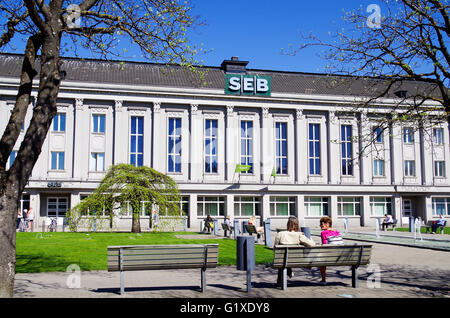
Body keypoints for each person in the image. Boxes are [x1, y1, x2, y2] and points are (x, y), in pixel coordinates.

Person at [274, 216, 316, 284]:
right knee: (287, 258)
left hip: (281, 260)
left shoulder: (280, 234)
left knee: (282, 259)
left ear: (287, 224)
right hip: (296, 260)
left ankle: (281, 280)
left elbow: (275, 247)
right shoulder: (300, 235)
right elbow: (312, 244)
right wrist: (310, 238)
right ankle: (288, 270)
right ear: (297, 225)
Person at [319, 216, 341, 285]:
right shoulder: (337, 232)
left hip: (330, 256)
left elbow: (325, 246)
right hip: (340, 256)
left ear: (328, 224)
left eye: (324, 223)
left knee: (321, 259)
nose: (321, 225)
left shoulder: (323, 233)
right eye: (321, 223)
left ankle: (323, 280)